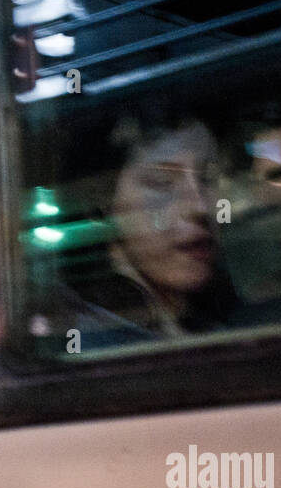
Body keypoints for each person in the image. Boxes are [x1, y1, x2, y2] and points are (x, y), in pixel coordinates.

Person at [64, 115, 236, 345]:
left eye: (207, 178)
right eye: (162, 181)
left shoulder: (215, 317)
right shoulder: (89, 339)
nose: (200, 207)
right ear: (102, 206)